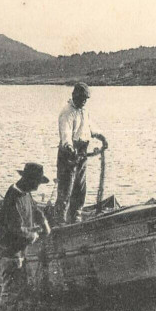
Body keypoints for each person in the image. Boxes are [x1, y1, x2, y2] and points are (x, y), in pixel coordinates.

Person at [0, 163, 51, 311]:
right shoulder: (13, 197)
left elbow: (34, 209)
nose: (37, 187)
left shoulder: (25, 193)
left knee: (20, 289)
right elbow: (16, 228)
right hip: (10, 250)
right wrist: (31, 236)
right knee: (10, 290)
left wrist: (44, 222)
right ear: (27, 180)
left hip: (21, 250)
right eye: (36, 183)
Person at [55, 82, 101, 224]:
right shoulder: (67, 112)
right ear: (74, 96)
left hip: (82, 152)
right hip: (68, 154)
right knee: (66, 188)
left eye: (85, 99)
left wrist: (100, 136)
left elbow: (90, 127)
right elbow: (66, 134)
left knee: (80, 186)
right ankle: (60, 220)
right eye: (81, 98)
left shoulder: (84, 111)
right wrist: (69, 147)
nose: (83, 101)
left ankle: (76, 215)